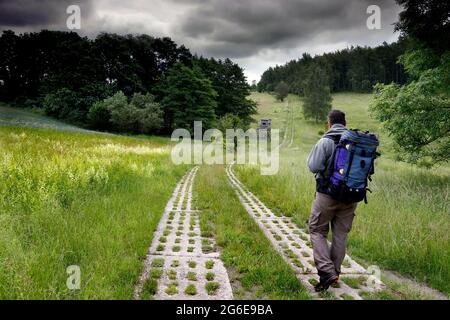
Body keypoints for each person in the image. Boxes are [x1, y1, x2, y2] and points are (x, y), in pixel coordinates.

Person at [306, 110, 357, 292]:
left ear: (329, 123)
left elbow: (314, 166)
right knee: (340, 235)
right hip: (352, 196)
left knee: (317, 229)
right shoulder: (356, 142)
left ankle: (327, 272)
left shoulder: (326, 141)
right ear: (345, 122)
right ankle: (335, 273)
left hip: (327, 195)